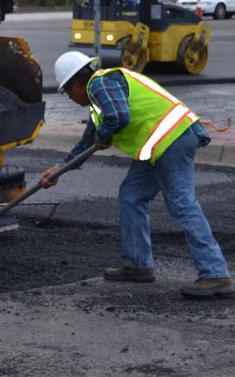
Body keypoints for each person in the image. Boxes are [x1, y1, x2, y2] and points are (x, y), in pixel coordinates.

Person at [40, 52, 232, 298]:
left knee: (182, 204)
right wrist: (60, 168)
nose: (70, 98)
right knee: (131, 195)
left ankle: (215, 273)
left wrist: (105, 135)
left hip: (173, 139)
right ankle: (138, 265)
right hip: (155, 148)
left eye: (67, 93)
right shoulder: (100, 101)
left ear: (75, 84)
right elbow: (88, 141)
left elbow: (118, 117)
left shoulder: (100, 83)